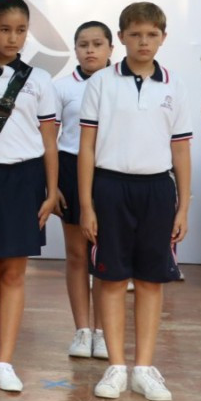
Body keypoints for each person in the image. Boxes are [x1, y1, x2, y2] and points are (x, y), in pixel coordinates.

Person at [80, 2, 191, 401]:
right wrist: (88, 204)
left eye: (152, 35)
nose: (144, 42)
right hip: (110, 189)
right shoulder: (102, 83)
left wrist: (183, 207)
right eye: (136, 34)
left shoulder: (174, 84)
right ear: (122, 37)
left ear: (163, 37)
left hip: (157, 191)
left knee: (150, 279)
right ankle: (115, 366)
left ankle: (143, 367)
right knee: (110, 278)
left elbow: (180, 151)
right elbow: (88, 148)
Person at [0, 0, 61, 393]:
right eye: (4, 29)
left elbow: (50, 140)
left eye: (21, 30)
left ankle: (6, 360)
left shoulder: (39, 80)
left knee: (15, 274)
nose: (13, 38)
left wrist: (52, 190)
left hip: (25, 180)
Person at [55, 21, 114, 358]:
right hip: (70, 169)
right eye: (83, 44)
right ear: (75, 49)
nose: (90, 50)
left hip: (110, 173)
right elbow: (47, 138)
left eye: (97, 44)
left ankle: (104, 331)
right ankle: (82, 330)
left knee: (106, 256)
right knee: (77, 255)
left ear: (110, 48)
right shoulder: (62, 88)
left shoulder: (119, 84)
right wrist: (53, 185)